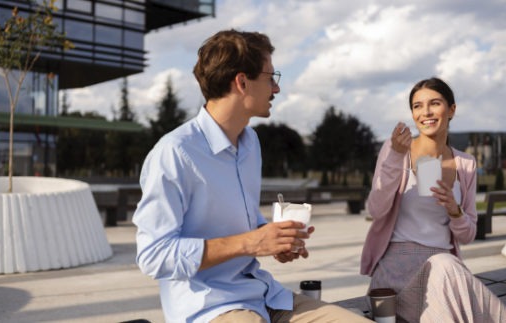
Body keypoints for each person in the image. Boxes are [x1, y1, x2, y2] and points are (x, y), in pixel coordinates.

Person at [133, 29, 371, 323]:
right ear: (242, 82)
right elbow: (154, 255)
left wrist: (275, 239)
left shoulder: (250, 144)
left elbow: (242, 223)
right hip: (210, 306)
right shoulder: (174, 153)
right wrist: (253, 242)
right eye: (271, 78)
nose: (276, 89)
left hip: (263, 294)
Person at [360, 77, 506, 322]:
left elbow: (467, 235)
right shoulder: (395, 150)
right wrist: (396, 157)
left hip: (444, 271)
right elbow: (376, 209)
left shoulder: (465, 163)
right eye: (417, 106)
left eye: (434, 103)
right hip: (397, 272)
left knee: (445, 265)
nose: (426, 112)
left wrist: (454, 211)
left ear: (452, 109)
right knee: (449, 269)